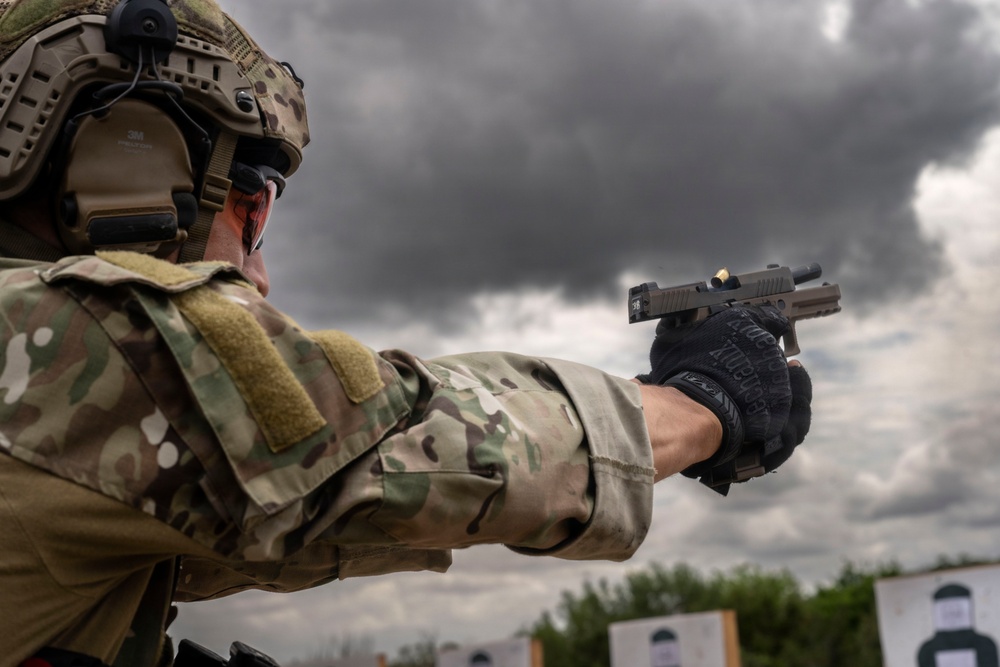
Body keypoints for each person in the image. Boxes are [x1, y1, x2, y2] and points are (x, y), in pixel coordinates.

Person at [0, 1, 813, 665]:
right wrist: (696, 405)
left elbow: (264, 529)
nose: (260, 271)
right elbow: (393, 440)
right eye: (252, 208)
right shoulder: (67, 336)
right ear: (128, 162)